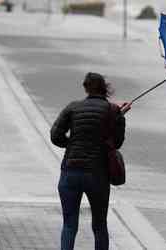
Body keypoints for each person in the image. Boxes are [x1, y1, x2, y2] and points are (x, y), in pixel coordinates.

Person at [50, 72, 130, 250]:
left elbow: (55, 136)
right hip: (97, 175)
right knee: (99, 225)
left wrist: (72, 144)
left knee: (69, 224)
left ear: (86, 88)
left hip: (71, 171)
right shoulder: (112, 111)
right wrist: (118, 116)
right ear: (105, 89)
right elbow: (116, 143)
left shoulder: (72, 107)